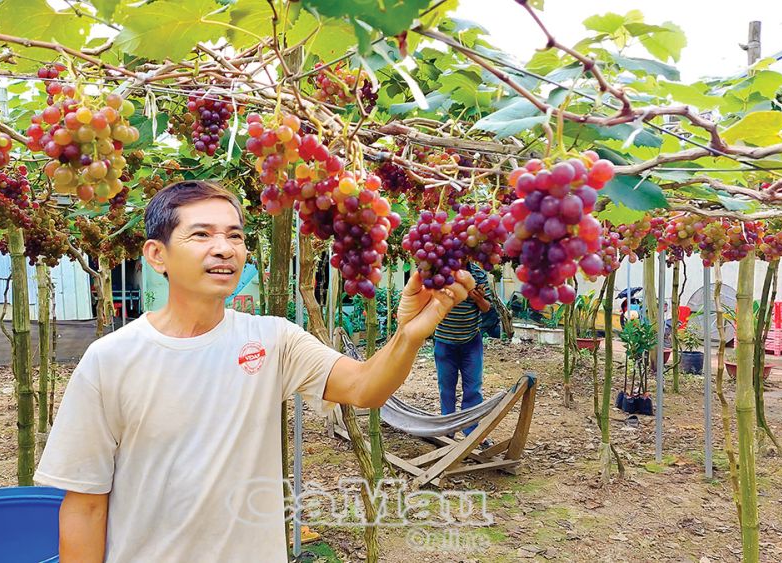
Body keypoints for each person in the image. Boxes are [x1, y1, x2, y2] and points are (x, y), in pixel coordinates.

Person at [34, 180, 475, 562]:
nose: (224, 248)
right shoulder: (110, 359)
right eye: (201, 234)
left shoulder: (273, 339)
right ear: (156, 254)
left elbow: (364, 388)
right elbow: (84, 504)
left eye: (235, 236)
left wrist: (409, 335)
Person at [432, 262, 494, 441]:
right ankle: (447, 430)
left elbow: (486, 307)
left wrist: (479, 299)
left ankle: (472, 431)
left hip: (471, 341)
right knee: (446, 388)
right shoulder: (440, 272)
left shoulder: (477, 274)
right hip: (444, 340)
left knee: (473, 388)